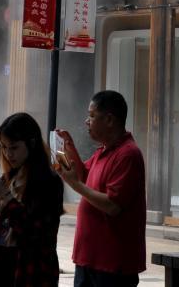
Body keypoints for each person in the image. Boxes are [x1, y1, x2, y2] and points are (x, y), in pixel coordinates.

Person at [56, 90, 146, 287]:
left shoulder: (128, 154)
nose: (87, 121)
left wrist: (76, 186)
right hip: (89, 258)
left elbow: (113, 205)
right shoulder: (103, 151)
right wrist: (69, 146)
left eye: (91, 116)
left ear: (109, 120)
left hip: (112, 263)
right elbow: (85, 176)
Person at [0, 112, 64, 287]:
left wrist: (6, 197)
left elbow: (35, 232)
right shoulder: (8, 177)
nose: (8, 154)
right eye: (4, 147)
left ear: (31, 143)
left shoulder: (49, 182)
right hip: (1, 265)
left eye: (14, 147)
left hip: (31, 270)